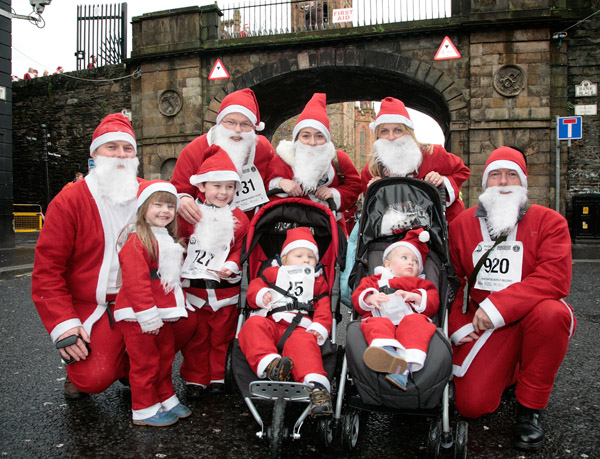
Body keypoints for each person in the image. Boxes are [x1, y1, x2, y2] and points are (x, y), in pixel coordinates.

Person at [448, 146, 577, 451]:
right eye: (495, 175)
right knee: (471, 405)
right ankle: (514, 368)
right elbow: (454, 281)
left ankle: (530, 409)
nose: (503, 182)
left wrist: (500, 306)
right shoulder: (461, 225)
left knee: (552, 314)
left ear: (522, 183)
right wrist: (457, 324)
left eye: (511, 175)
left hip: (532, 314)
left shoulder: (550, 222)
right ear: (485, 182)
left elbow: (555, 278)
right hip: (486, 322)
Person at [31, 114, 144, 397]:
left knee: (185, 323)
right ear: (95, 153)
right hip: (90, 304)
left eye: (127, 148)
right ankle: (107, 362)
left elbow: (185, 197)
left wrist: (187, 199)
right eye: (112, 147)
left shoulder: (149, 193)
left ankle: (130, 363)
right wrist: (64, 326)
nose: (120, 155)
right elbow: (47, 270)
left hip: (139, 300)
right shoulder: (69, 201)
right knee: (92, 379)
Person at [114, 180, 191, 427]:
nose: (164, 211)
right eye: (157, 204)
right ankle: (144, 408)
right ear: (143, 207)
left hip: (162, 314)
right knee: (145, 363)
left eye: (170, 206)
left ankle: (165, 396)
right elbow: (136, 282)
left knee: (165, 358)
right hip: (141, 317)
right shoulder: (137, 240)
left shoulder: (165, 237)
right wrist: (147, 317)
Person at [238, 227, 333, 417]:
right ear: (284, 259)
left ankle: (315, 386)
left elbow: (323, 307)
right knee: (252, 326)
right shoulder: (273, 273)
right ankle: (271, 365)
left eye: (311, 257)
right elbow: (255, 286)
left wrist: (319, 327)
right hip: (271, 320)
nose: (306, 260)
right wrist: (260, 295)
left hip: (300, 325)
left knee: (305, 344)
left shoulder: (317, 281)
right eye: (299, 255)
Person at [178, 145, 250, 397]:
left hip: (224, 294)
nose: (223, 192)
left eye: (229, 187)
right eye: (217, 186)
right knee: (196, 338)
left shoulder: (240, 217)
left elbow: (240, 248)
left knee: (222, 337)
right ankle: (196, 378)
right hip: (195, 292)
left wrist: (231, 265)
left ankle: (218, 376)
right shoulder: (189, 215)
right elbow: (180, 245)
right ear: (201, 187)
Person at [351, 228, 439, 390]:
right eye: (404, 258)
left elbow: (433, 301)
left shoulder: (421, 284)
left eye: (415, 261)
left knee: (416, 322)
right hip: (382, 318)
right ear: (387, 265)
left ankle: (404, 364)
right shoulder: (375, 280)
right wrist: (369, 297)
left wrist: (417, 297)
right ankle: (388, 352)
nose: (410, 262)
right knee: (375, 324)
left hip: (408, 324)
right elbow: (357, 297)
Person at [361, 97, 470, 223]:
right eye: (384, 131)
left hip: (440, 226)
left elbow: (462, 171)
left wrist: (443, 182)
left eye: (398, 130)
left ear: (408, 131)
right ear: (378, 135)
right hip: (397, 233)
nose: (391, 137)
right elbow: (374, 214)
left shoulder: (432, 153)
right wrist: (374, 191)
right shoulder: (371, 170)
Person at [171, 88, 274, 221]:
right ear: (220, 122)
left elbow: (274, 178)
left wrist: (281, 181)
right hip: (203, 226)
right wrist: (182, 199)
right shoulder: (195, 149)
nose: (237, 130)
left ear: (254, 127)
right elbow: (177, 190)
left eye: (245, 124)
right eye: (231, 122)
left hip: (251, 228)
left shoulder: (262, 148)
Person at [266, 93, 361, 235]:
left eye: (319, 136)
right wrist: (280, 183)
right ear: (297, 137)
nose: (312, 142)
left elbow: (355, 186)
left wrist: (334, 193)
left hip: (328, 228)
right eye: (306, 136)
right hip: (288, 229)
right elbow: (266, 185)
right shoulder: (283, 159)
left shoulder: (337, 159)